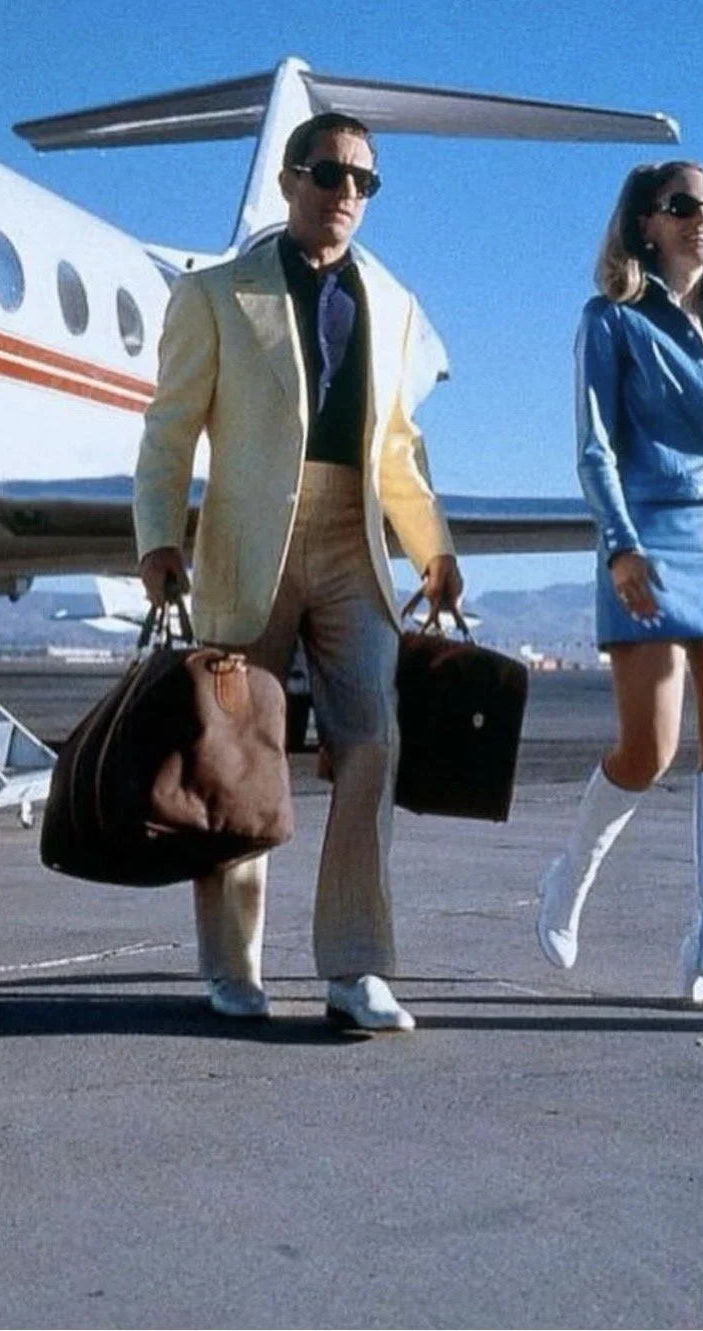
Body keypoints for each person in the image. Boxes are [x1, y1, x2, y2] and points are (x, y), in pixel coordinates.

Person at [135, 112, 463, 1031]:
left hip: (353, 538)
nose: (346, 194)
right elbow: (168, 430)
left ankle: (354, 965)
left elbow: (398, 446)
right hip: (247, 543)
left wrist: (432, 548)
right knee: (236, 756)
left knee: (374, 738)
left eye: (364, 182)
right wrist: (160, 537)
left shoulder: (391, 302)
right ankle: (232, 967)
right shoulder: (215, 295)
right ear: (289, 182)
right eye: (328, 175)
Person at [535, 159, 703, 1009]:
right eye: (683, 205)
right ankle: (569, 875)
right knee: (647, 750)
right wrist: (619, 546)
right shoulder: (610, 320)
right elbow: (595, 448)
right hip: (649, 540)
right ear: (645, 222)